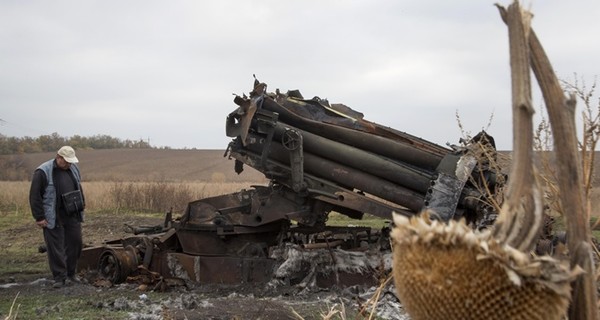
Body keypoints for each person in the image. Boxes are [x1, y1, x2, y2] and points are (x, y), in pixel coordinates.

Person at [29, 146, 85, 288]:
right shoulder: (43, 171)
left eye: (71, 162)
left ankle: (72, 274)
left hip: (72, 213)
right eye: (66, 161)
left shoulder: (73, 169)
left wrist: (81, 204)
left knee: (75, 243)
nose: (69, 164)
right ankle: (60, 278)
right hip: (53, 215)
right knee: (55, 247)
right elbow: (35, 196)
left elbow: (78, 187)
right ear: (58, 157)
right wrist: (39, 217)